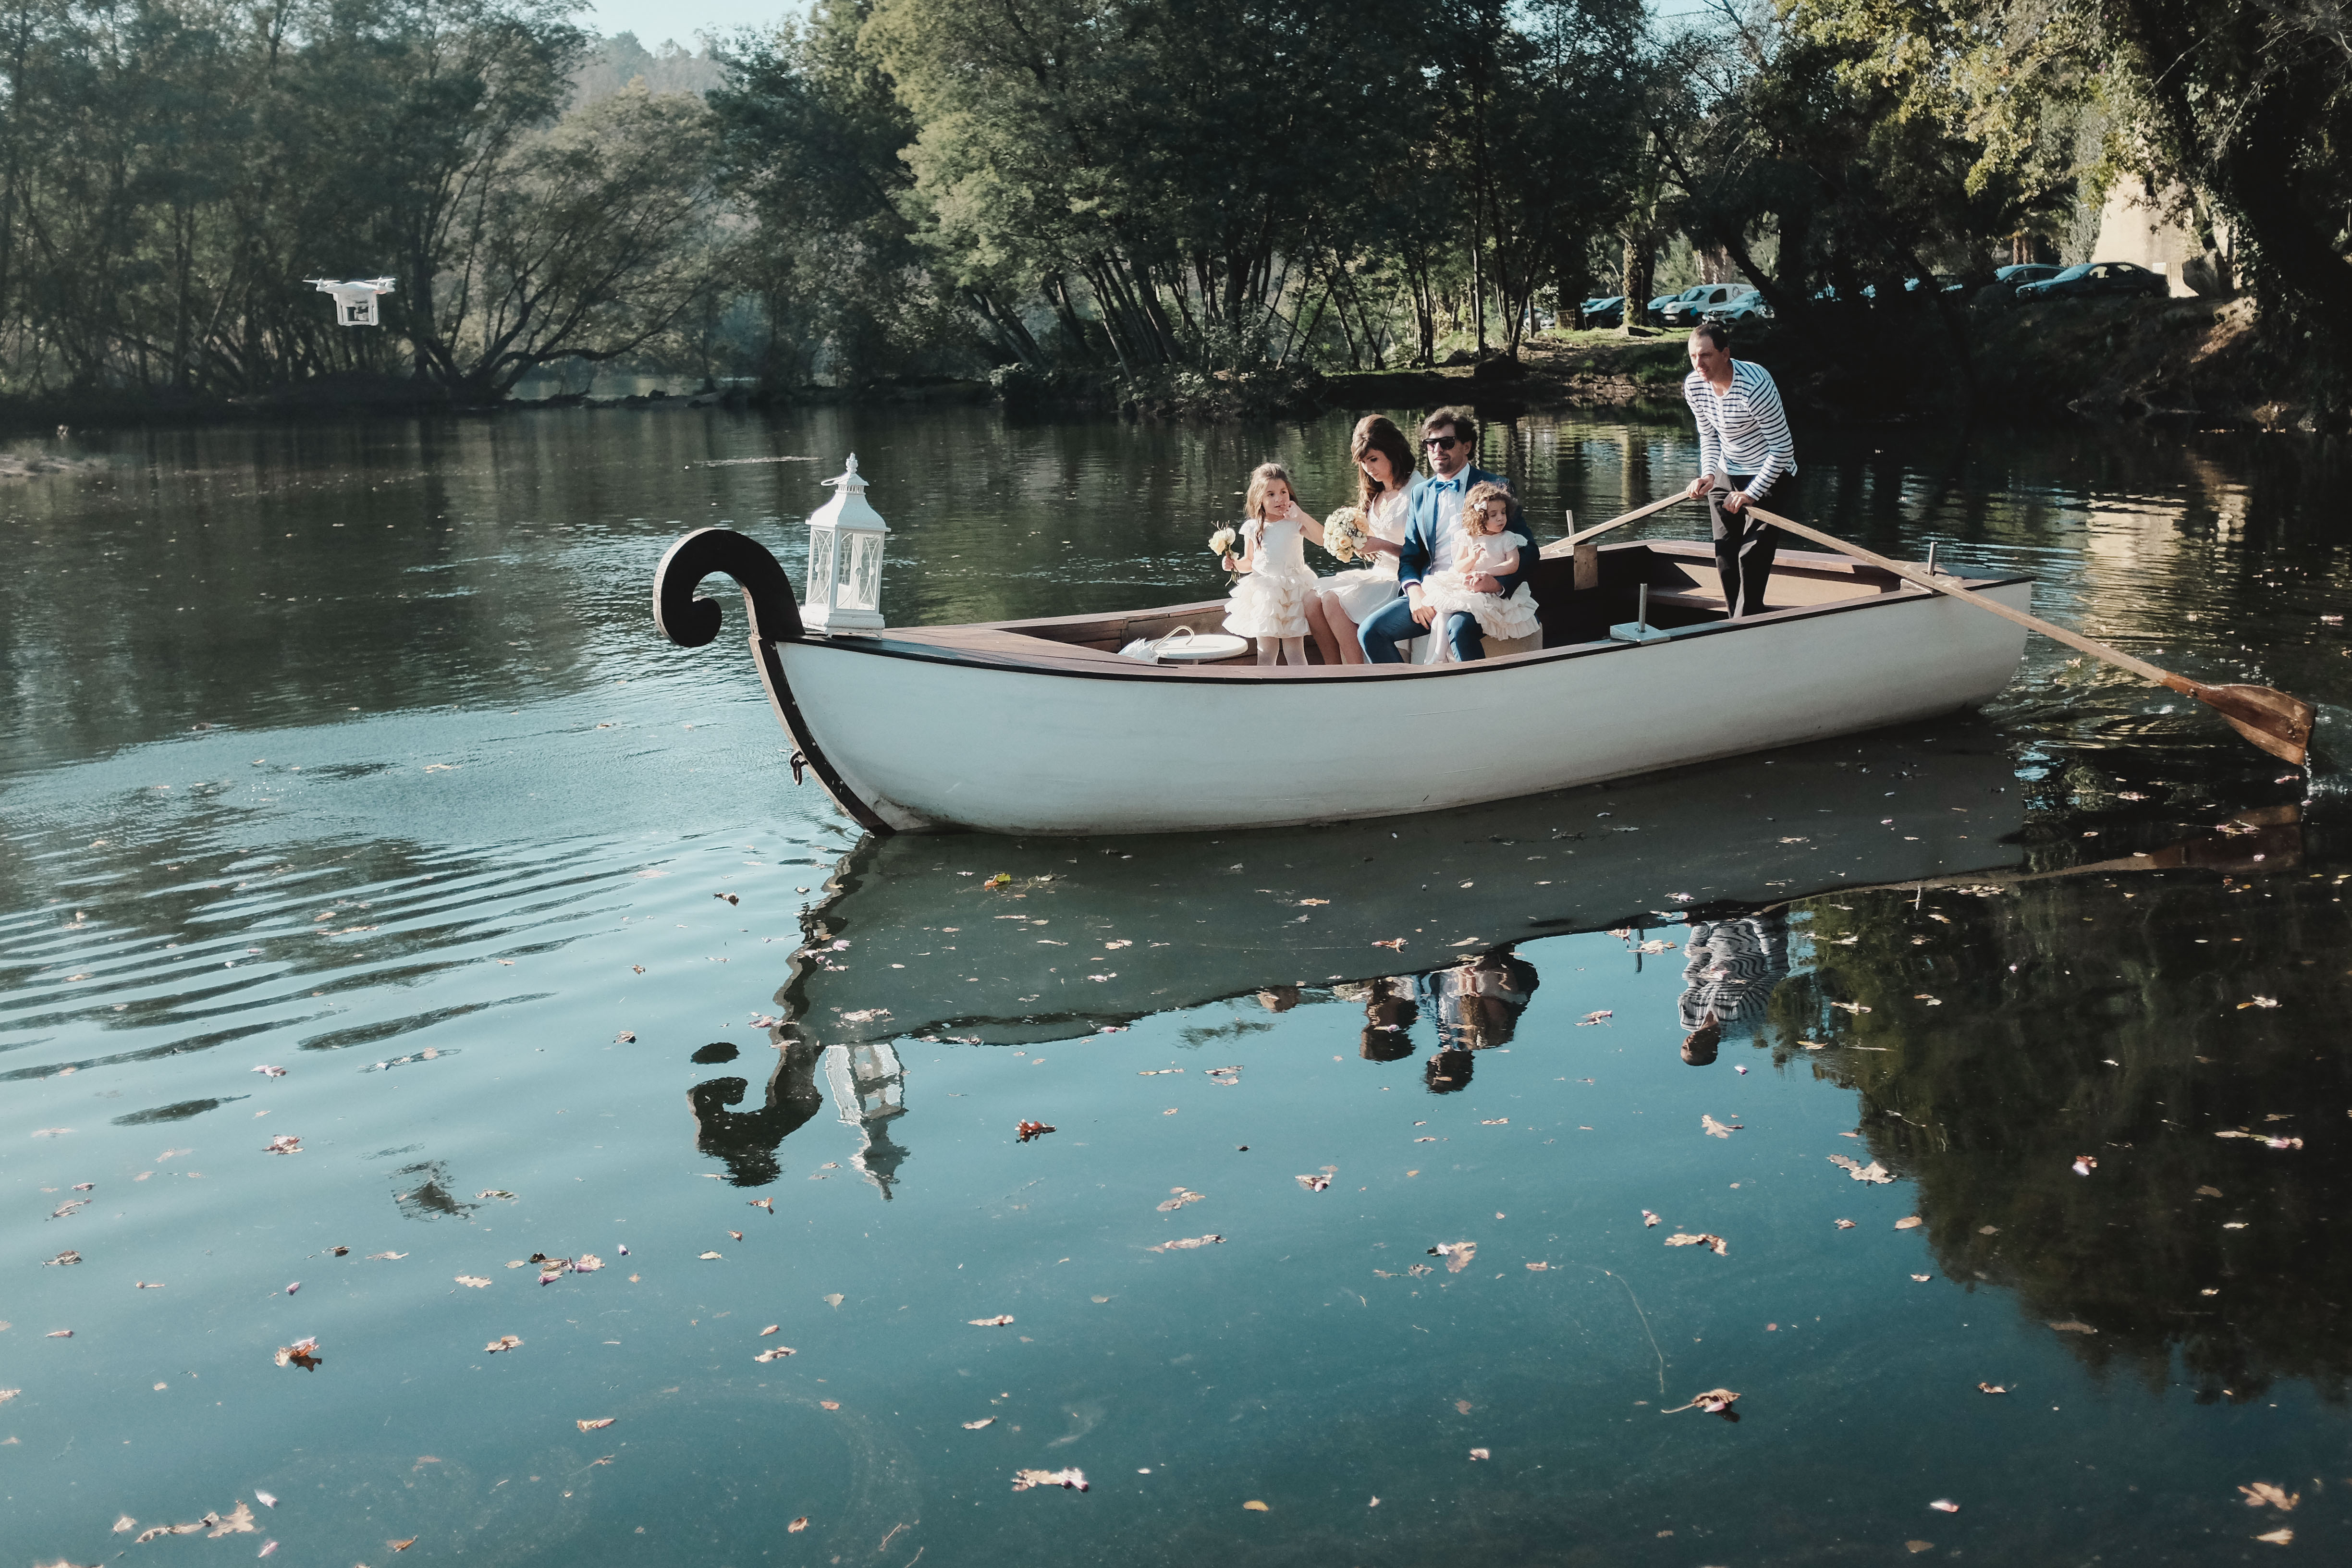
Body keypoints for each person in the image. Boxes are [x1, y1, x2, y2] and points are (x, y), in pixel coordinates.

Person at [1357, 408, 1528, 663]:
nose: (1438, 449)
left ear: (1467, 446)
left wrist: (1497, 584)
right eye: (1431, 444)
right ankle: (1404, 697)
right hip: (1435, 588)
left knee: (1457, 629)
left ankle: (1482, 695)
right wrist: (1414, 591)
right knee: (1371, 631)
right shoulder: (1421, 494)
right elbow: (1411, 556)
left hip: (1479, 591)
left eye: (1447, 443)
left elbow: (1529, 549)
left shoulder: (1496, 487)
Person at [1682, 320, 1798, 619]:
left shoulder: (1755, 386)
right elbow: (1708, 435)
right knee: (1725, 553)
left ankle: (1749, 619)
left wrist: (1750, 494)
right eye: (1694, 356)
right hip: (1727, 468)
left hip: (1770, 471)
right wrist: (1708, 475)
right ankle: (1736, 621)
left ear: (1725, 354)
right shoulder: (1694, 386)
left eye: (1706, 355)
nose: (1699, 364)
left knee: (1752, 555)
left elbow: (1783, 450)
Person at [1305, 416, 1417, 664]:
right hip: (1379, 572)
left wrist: (1380, 545)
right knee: (1311, 598)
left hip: (1403, 578)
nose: (1369, 468)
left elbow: (1423, 554)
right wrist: (1353, 542)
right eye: (1364, 462)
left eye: (1373, 459)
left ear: (1393, 452)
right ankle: (1332, 671)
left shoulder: (1417, 491)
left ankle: (1356, 674)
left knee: (1333, 600)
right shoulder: (1377, 492)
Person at [1413, 482, 1540, 656]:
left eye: (1503, 513)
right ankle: (1436, 658)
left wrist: (1488, 573)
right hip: (1466, 584)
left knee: (1457, 621)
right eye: (1493, 515)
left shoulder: (1509, 538)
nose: (1501, 519)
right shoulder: (1468, 537)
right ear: (1479, 517)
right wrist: (1472, 559)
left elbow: (1513, 564)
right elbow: (1459, 566)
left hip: (1489, 592)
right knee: (1443, 612)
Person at [1222, 462, 1324, 666]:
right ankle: (1266, 688)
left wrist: (1301, 515)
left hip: (1293, 591)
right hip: (1266, 594)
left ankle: (1301, 688)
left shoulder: (1294, 523)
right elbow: (1250, 563)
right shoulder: (1253, 527)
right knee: (1266, 651)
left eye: (1283, 492)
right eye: (1271, 494)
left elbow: (1322, 540)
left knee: (1294, 650)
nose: (1279, 499)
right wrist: (1234, 564)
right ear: (1259, 498)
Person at [1676, 911, 1790, 1065]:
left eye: (1685, 1046)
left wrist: (1698, 926)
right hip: (1757, 927)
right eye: (1695, 1048)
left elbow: (1694, 971)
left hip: (1715, 924)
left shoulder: (1688, 1018)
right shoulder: (1741, 1020)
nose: (1690, 1043)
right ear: (1712, 1048)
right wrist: (1760, 922)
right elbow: (1777, 971)